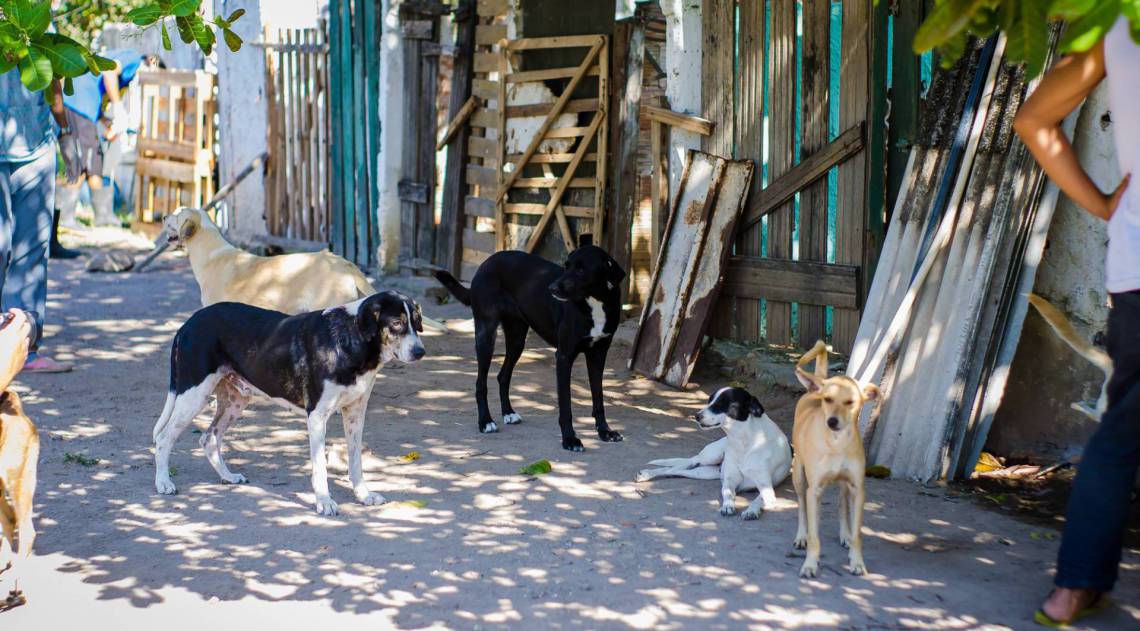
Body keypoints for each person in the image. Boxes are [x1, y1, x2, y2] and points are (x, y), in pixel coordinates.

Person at [1013, 16, 1140, 627]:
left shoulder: (1118, 21)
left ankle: (1074, 588)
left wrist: (1106, 205)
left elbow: (1033, 121)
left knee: (1121, 433)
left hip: (1136, 267)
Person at [0, 68, 80, 373]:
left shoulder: (37, 34)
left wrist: (65, 131)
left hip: (36, 146)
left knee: (32, 250)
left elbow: (52, 72)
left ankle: (24, 350)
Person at [55, 48, 146, 239]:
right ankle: (65, 216)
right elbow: (109, 72)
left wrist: (104, 120)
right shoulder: (134, 58)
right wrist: (119, 108)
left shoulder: (124, 58)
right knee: (82, 161)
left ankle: (103, 216)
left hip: (86, 107)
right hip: (79, 104)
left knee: (95, 160)